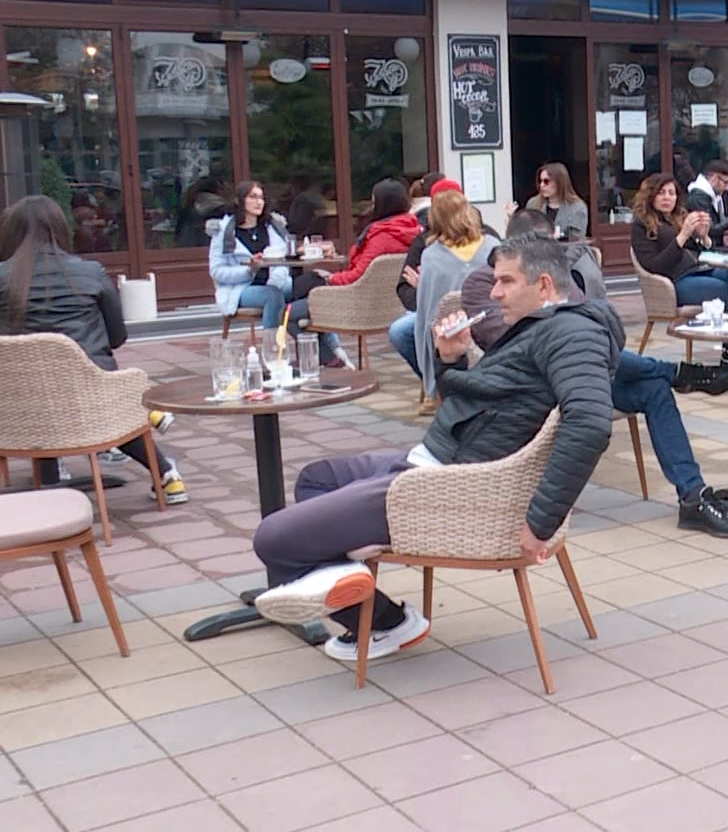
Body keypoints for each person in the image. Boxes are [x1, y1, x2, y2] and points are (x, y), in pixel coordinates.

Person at [249, 236, 622, 659]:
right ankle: (347, 576)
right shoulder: (543, 326)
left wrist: (541, 523)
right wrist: (452, 358)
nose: (494, 292)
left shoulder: (573, 334)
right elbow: (485, 403)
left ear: (543, 285)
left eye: (506, 281)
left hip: (447, 483)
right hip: (437, 458)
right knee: (316, 479)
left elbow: (590, 424)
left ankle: (387, 622)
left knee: (274, 541)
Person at [455, 216, 728, 539]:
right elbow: (508, 341)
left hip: (585, 375)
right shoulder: (484, 285)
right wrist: (564, 329)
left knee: (653, 388)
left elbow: (595, 330)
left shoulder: (556, 275)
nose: (553, 254)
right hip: (533, 386)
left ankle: (692, 495)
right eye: (544, 246)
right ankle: (677, 372)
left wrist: (575, 335)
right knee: (592, 351)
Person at [0, 197, 186, 503]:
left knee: (47, 398)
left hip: (25, 402)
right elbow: (117, 337)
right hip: (92, 390)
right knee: (112, 414)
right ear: (61, 228)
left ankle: (51, 482)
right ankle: (165, 471)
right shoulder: (91, 272)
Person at [287, 178, 419, 368]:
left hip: (357, 303)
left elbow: (357, 276)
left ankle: (329, 358)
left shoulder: (381, 236)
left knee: (289, 313)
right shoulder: (413, 231)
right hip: (389, 305)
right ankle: (325, 355)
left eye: (373, 201)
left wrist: (331, 277)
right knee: (307, 288)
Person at [412, 187, 499, 406]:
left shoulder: (431, 256)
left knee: (401, 332)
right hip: (492, 336)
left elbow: (425, 312)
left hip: (449, 337)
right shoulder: (494, 247)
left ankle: (433, 392)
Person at [629, 171, 728, 312]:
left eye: (671, 193)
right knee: (723, 288)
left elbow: (700, 252)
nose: (667, 197)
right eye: (661, 193)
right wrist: (683, 235)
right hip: (676, 280)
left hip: (699, 269)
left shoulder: (677, 218)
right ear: (651, 196)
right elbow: (654, 265)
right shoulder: (642, 225)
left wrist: (703, 237)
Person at [209, 180, 293, 334]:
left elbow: (283, 261)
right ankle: (272, 346)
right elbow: (217, 271)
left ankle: (328, 347)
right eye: (253, 197)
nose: (259, 202)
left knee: (310, 289)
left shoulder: (272, 227)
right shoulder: (224, 232)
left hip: (274, 282)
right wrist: (249, 270)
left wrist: (277, 278)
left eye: (261, 198)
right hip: (240, 289)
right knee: (273, 295)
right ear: (239, 200)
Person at [522, 161, 589, 239]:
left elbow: (577, 241)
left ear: (559, 182)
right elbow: (526, 235)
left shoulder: (577, 208)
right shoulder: (533, 204)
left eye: (546, 181)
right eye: (540, 181)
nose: (541, 185)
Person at [283, 171, 329, 240]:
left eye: (291, 186)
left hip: (303, 238)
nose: (289, 189)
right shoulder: (316, 197)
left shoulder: (302, 199)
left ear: (296, 185)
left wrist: (283, 218)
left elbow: (298, 225)